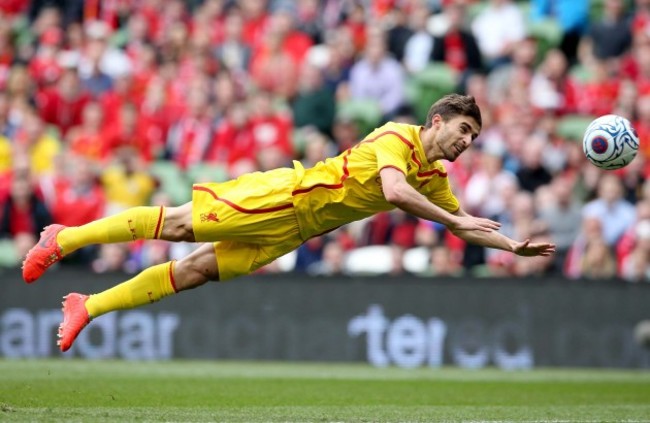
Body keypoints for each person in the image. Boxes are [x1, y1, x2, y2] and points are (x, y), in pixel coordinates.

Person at [21, 94, 555, 352]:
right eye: (463, 130)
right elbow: (396, 192)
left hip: (295, 231)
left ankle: (86, 306)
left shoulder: (434, 175)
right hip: (287, 196)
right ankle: (63, 238)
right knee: (181, 226)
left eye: (474, 139)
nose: (466, 142)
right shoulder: (398, 137)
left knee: (195, 271)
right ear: (438, 121)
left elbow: (463, 225)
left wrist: (511, 245)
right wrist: (454, 217)